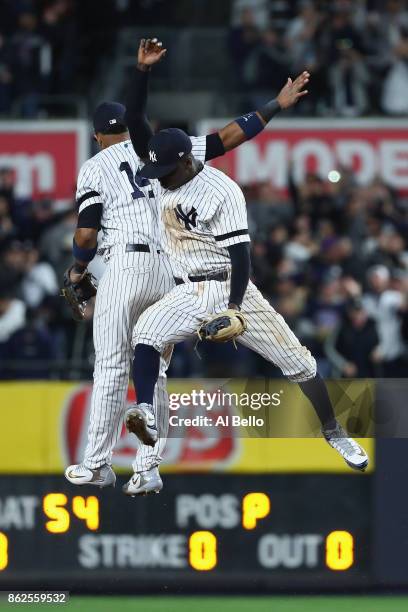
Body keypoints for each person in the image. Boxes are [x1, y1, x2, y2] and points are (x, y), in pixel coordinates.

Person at [65, 38, 310, 493]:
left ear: (98, 135)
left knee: (113, 367)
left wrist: (79, 271)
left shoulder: (96, 166)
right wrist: (277, 104)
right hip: (171, 272)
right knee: (153, 365)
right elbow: (229, 136)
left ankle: (98, 463)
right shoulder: (161, 149)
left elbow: (85, 234)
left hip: (125, 266)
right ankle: (148, 467)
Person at [123, 127, 368, 497]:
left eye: (167, 171)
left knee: (299, 363)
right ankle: (145, 418)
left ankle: (334, 431)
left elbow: (241, 256)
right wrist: (141, 71)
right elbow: (141, 122)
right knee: (146, 334)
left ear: (187, 162)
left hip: (231, 285)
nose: (161, 179)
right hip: (188, 288)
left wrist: (236, 307)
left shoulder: (221, 191)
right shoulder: (165, 162)